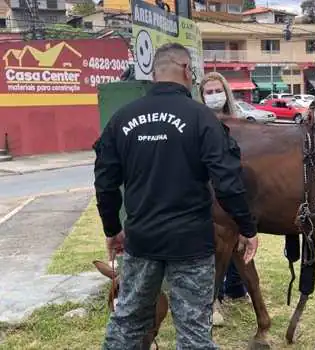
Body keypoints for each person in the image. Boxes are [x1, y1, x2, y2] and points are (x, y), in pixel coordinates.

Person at [94, 42, 258, 349]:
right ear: (186, 69)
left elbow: (105, 182)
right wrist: (247, 228)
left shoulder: (121, 119)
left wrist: (111, 229)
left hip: (142, 240)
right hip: (191, 244)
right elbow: (228, 182)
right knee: (194, 332)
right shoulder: (202, 119)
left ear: (155, 72)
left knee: (127, 322)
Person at [198, 72, 250, 328]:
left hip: (235, 191)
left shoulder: (239, 121)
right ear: (201, 96)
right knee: (215, 248)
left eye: (218, 91)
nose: (214, 96)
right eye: (209, 92)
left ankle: (237, 288)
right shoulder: (199, 122)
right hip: (209, 196)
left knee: (239, 241)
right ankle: (214, 298)